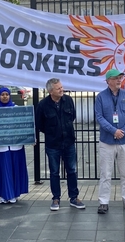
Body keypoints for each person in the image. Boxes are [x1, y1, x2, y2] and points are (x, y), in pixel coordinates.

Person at [35, 78, 84, 211]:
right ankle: (56, 198)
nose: (61, 90)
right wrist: (52, 132)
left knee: (72, 170)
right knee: (54, 172)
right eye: (58, 88)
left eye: (61, 87)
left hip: (68, 142)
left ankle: (74, 197)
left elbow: (72, 116)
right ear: (51, 91)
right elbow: (39, 124)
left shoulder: (68, 100)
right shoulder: (43, 105)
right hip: (53, 144)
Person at [95, 69, 125, 214]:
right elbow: (99, 117)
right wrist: (114, 131)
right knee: (105, 173)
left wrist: (123, 131)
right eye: (115, 78)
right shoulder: (100, 97)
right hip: (107, 141)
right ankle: (103, 202)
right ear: (108, 81)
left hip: (124, 140)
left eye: (120, 78)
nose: (119, 80)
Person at [0, 86, 29, 205]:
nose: (5, 96)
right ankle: (5, 195)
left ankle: (14, 194)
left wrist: (29, 138)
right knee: (4, 171)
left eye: (7, 94)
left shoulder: (16, 109)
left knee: (15, 170)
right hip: (1, 146)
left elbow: (24, 125)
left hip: (16, 146)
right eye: (2, 94)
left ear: (10, 96)